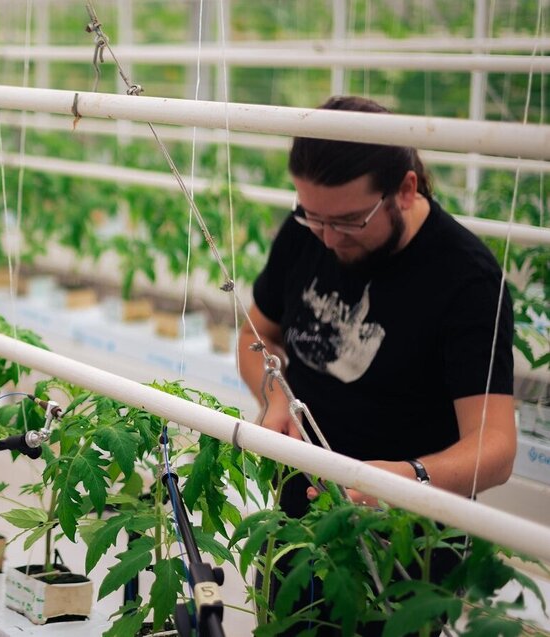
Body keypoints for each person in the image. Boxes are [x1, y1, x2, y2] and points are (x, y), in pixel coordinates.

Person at [237, 96, 516, 635]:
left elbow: (496, 446)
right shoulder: (306, 232)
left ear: (406, 190)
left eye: (348, 220)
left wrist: (407, 479)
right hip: (297, 524)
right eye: (311, 214)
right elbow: (257, 336)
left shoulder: (465, 280)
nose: (327, 236)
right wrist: (274, 393)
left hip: (403, 545)